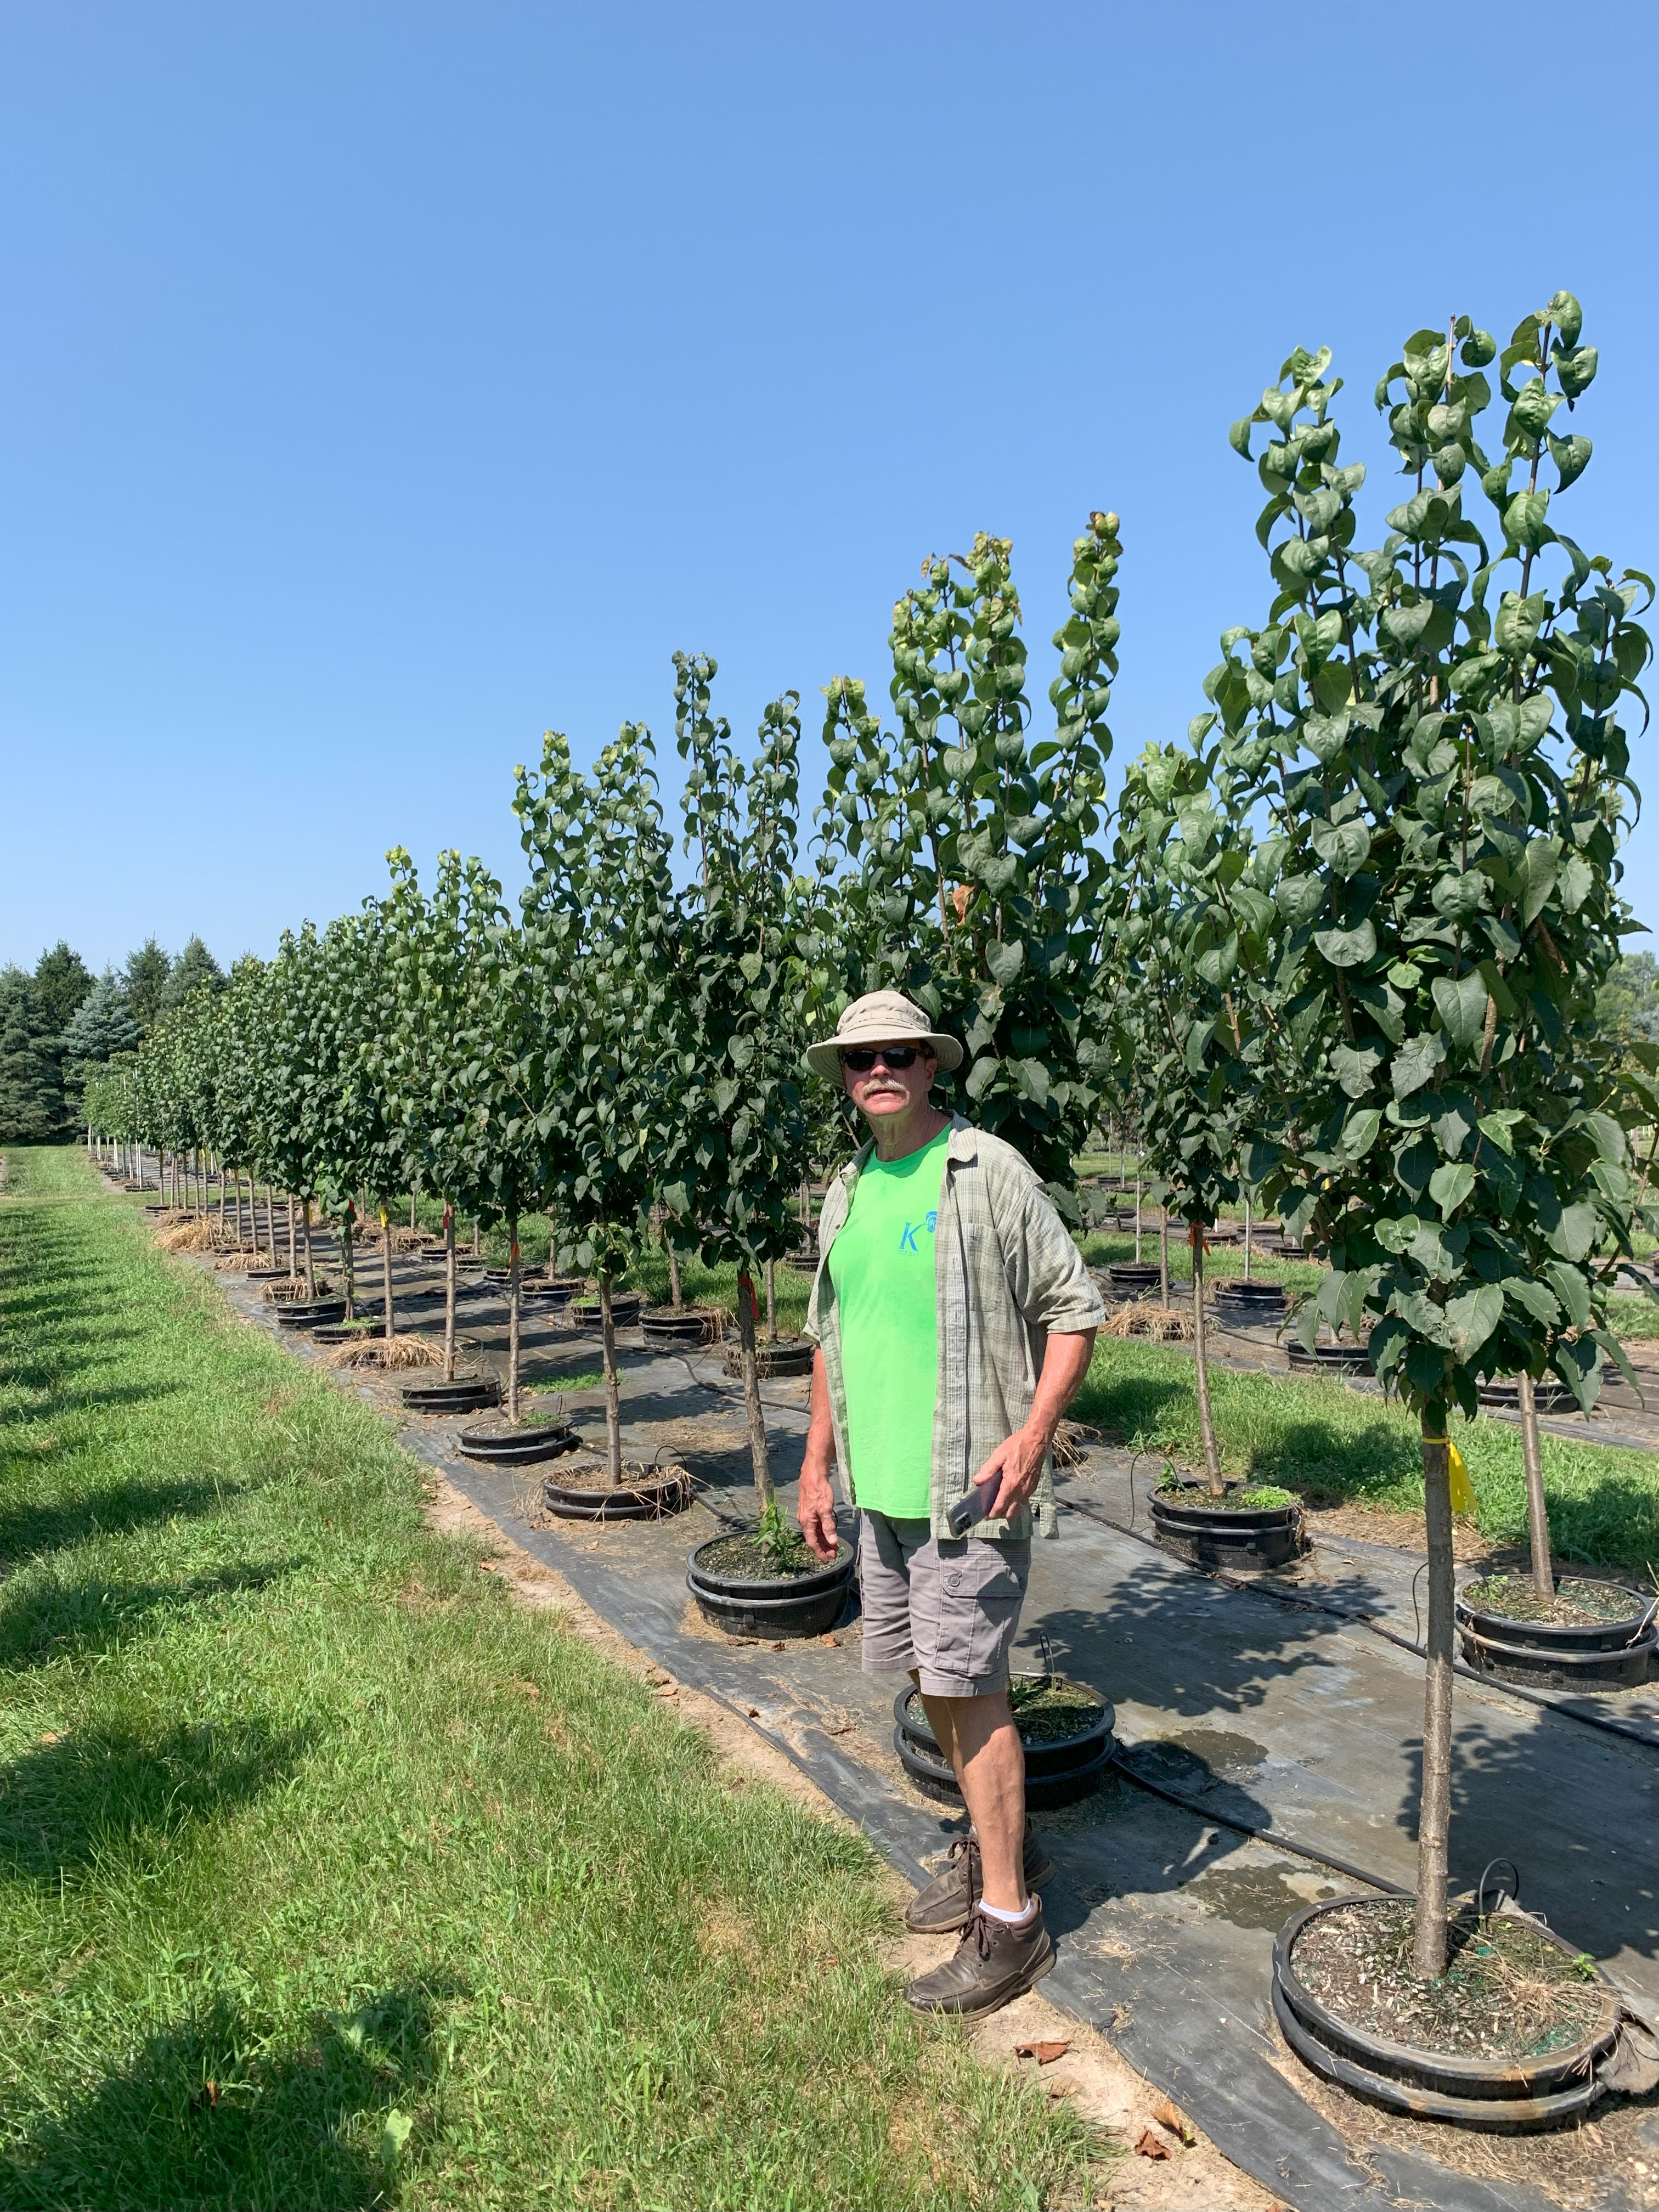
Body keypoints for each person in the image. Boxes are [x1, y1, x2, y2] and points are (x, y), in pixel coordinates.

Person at [798, 989, 1104, 2020]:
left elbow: (1074, 1310)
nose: (878, 1069)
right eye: (859, 1059)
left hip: (964, 1490)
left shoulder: (987, 1172)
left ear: (932, 1065)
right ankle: (991, 1845)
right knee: (934, 1678)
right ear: (845, 1078)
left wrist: (1033, 1432)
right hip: (877, 1491)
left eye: (897, 1053)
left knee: (974, 1691)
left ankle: (1013, 1925)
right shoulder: (846, 1191)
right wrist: (813, 1465)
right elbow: (830, 1340)